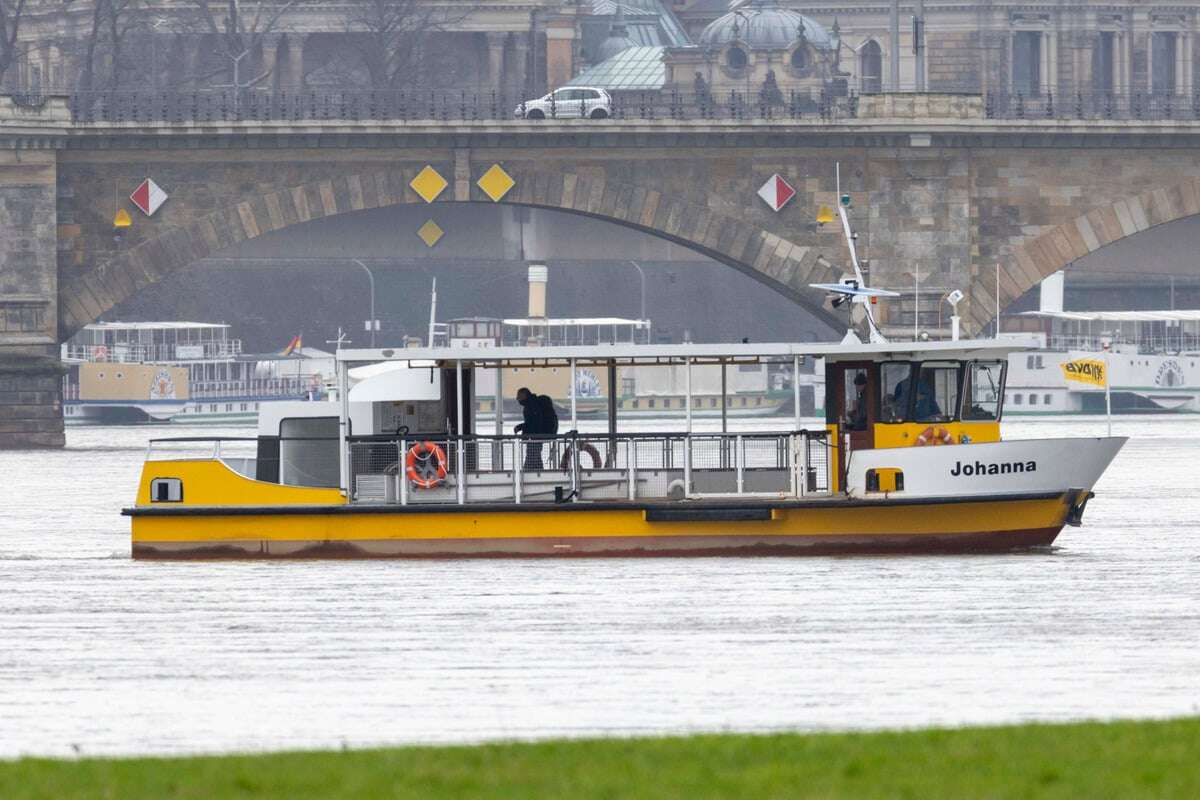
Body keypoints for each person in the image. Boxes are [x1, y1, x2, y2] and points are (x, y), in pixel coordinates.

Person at [515, 387, 547, 470]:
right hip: (535, 436)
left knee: (532, 456)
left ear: (524, 395)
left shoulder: (532, 405)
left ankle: (528, 472)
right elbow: (532, 422)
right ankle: (538, 472)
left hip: (534, 437)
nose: (517, 399)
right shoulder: (532, 404)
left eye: (519, 396)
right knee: (534, 456)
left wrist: (521, 427)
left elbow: (533, 423)